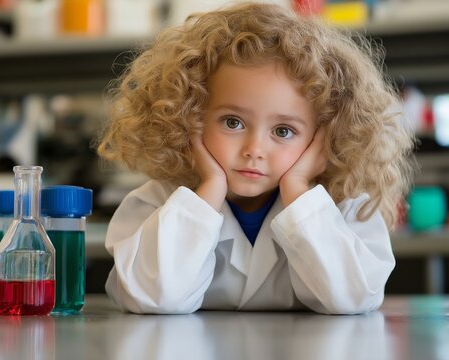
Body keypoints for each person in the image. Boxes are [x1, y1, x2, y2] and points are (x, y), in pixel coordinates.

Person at [98, 2, 415, 314]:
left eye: (283, 131)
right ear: (190, 116)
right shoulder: (156, 204)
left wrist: (298, 190)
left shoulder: (346, 207)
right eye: (233, 122)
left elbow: (352, 299)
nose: (254, 149)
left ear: (325, 136)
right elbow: (152, 297)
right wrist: (209, 189)